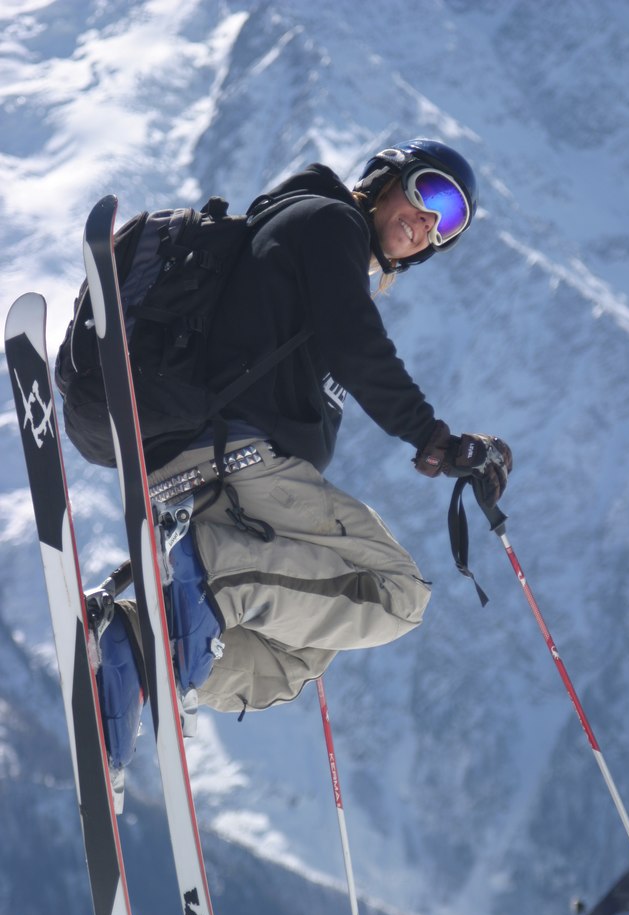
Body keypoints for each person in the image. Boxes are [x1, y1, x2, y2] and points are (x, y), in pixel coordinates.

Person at [97, 138, 512, 789]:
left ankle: (135, 654)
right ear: (386, 178)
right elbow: (355, 344)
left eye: (449, 223)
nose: (429, 223)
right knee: (395, 592)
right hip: (235, 456)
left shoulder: (318, 249)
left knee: (300, 653)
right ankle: (210, 578)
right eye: (430, 193)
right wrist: (434, 438)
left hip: (209, 469)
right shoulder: (329, 222)